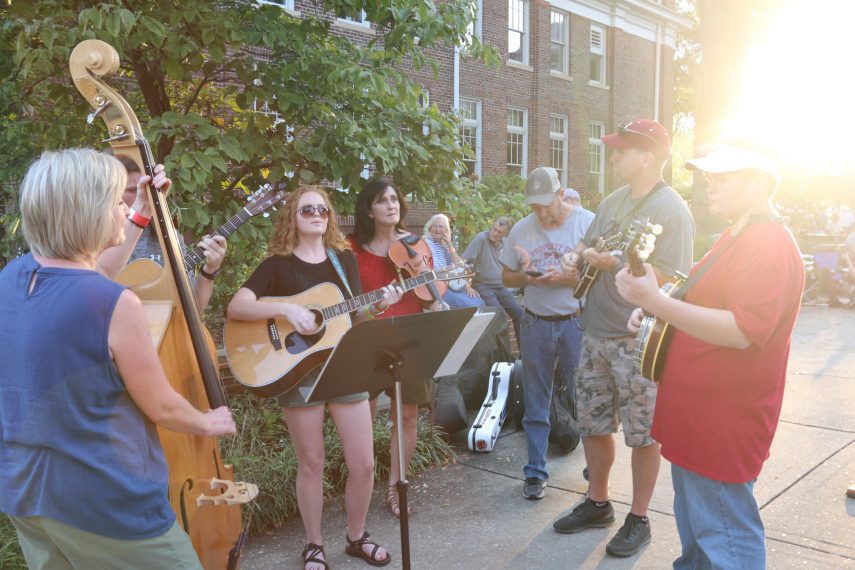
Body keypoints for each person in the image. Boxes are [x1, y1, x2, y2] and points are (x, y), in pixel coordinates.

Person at [0, 148, 236, 569]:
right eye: (117, 203)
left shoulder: (14, 277)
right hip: (105, 503)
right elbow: (160, 404)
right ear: (86, 212)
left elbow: (91, 274)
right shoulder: (115, 304)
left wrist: (144, 209)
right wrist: (208, 421)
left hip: (26, 492)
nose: (122, 211)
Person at [616, 144, 803, 568]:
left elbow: (741, 331)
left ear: (758, 183)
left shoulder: (768, 245)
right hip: (697, 420)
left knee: (726, 545)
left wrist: (657, 303)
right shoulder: (737, 234)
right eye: (708, 177)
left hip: (722, 424)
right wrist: (652, 308)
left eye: (723, 177)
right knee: (701, 541)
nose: (710, 186)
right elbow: (699, 297)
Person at [227, 185, 401, 569]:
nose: (317, 214)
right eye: (308, 209)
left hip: (343, 365)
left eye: (323, 209)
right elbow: (237, 306)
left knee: (365, 463)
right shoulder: (277, 264)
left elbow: (354, 318)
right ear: (293, 216)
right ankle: (314, 545)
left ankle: (357, 537)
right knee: (312, 463)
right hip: (297, 371)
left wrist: (380, 304)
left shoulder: (343, 261)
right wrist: (288, 311)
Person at [556, 119, 694, 557]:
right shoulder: (613, 201)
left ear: (648, 156)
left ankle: (639, 518)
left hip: (638, 342)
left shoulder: (672, 211)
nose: (613, 156)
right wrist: (576, 255)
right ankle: (597, 502)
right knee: (593, 425)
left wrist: (613, 261)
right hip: (594, 333)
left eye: (622, 151)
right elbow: (587, 246)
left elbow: (672, 279)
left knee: (643, 435)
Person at [349, 175, 442, 519]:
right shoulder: (353, 249)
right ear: (369, 210)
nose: (391, 205)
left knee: (406, 415)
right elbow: (348, 301)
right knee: (364, 416)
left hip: (411, 336)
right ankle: (363, 483)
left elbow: (431, 293)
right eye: (382, 200)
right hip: (368, 340)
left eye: (394, 199)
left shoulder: (417, 245)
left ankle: (396, 487)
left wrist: (434, 301)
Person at [498, 166, 593, 500]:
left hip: (574, 322)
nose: (539, 212)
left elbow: (602, 279)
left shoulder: (586, 223)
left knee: (584, 397)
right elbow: (506, 277)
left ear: (560, 193)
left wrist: (563, 279)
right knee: (536, 401)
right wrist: (525, 276)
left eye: (545, 204)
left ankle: (595, 473)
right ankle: (535, 473)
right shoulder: (523, 229)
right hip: (535, 322)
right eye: (533, 205)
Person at [98, 155, 227, 313]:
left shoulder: (167, 235)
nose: (143, 194)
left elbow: (194, 310)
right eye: (134, 190)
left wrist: (209, 271)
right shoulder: (94, 234)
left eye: (147, 188)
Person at [462, 216, 523, 339]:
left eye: (499, 232)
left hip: (501, 286)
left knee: (520, 314)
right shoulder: (481, 238)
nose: (495, 233)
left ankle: (522, 356)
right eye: (494, 229)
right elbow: (463, 263)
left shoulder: (505, 243)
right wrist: (466, 285)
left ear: (505, 234)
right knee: (499, 315)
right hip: (483, 286)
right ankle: (505, 357)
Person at [423, 213, 485, 309]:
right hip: (438, 287)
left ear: (446, 231)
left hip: (452, 285)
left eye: (441, 227)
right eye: (435, 226)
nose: (438, 229)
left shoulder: (445, 247)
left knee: (479, 301)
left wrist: (466, 286)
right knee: (473, 306)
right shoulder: (425, 244)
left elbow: (459, 266)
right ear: (429, 228)